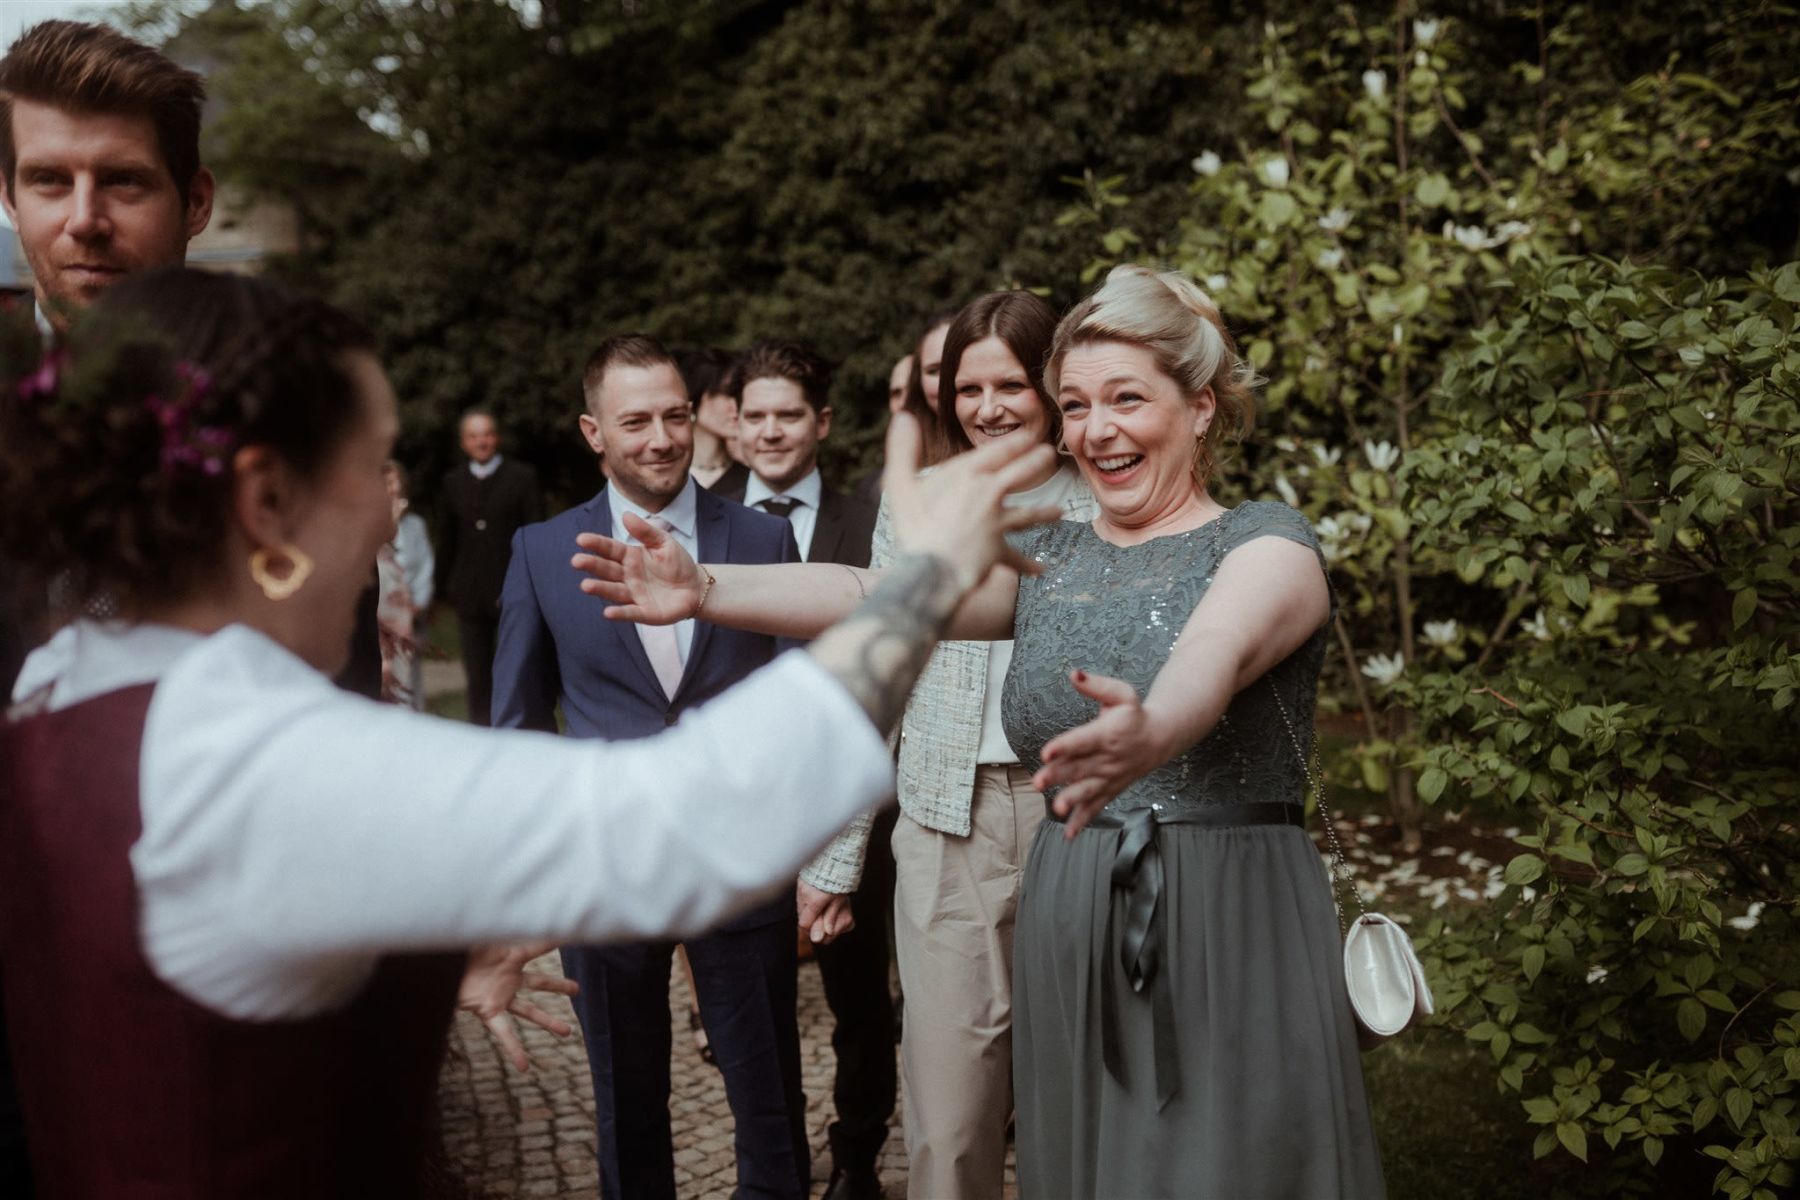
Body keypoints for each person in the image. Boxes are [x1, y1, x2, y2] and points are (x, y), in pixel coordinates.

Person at [0, 267, 1059, 1197]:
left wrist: (408, 944)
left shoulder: (56, 687)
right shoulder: (243, 755)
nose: (385, 514)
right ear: (266, 500)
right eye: (372, 467)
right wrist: (921, 580)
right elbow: (690, 825)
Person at [574, 265, 1386, 1198]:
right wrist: (706, 589)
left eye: (1127, 398)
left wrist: (1153, 726)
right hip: (1074, 895)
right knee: (1079, 1152)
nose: (1096, 429)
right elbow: (875, 595)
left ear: (1201, 407)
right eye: (1076, 404)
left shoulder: (1266, 542)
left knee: (1223, 1156)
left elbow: (1215, 646)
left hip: (1222, 906)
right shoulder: (1060, 553)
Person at [490, 334, 814, 1200]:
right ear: (594, 432)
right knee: (627, 1105)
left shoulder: (761, 539)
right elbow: (519, 727)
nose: (663, 438)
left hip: (741, 863)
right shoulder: (540, 551)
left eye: (676, 414)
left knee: (769, 1098)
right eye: (637, 421)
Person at [0, 20, 218, 1194]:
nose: (82, 217)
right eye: (48, 180)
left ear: (196, 200)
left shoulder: (296, 435)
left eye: (122, 182)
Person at [713, 340, 889, 1200]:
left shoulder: (871, 516)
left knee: (860, 996)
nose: (773, 431)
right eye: (757, 415)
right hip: (750, 794)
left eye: (790, 414)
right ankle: (774, 1161)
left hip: (857, 785)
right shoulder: (704, 519)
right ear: (734, 423)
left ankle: (857, 1154)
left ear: (822, 422)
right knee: (755, 995)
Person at [434, 407, 541, 725]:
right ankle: (481, 734)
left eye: (486, 434)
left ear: (496, 438)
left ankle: (519, 730)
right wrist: (437, 592)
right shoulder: (452, 482)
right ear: (464, 443)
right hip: (470, 595)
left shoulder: (522, 478)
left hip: (513, 592)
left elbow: (533, 535)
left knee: (516, 669)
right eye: (473, 436)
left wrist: (530, 585)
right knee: (477, 674)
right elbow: (447, 540)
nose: (481, 442)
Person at [680, 346, 749, 493]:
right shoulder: (665, 475)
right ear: (694, 396)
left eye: (740, 395)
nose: (737, 405)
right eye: (726, 394)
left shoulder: (752, 481)